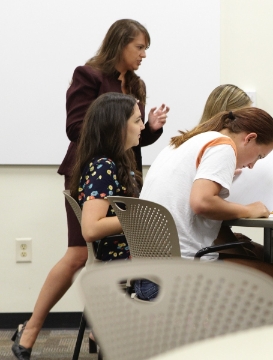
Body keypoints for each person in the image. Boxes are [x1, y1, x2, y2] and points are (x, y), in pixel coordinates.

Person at [11, 19, 168, 359]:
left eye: (145, 49)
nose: (143, 55)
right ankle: (32, 328)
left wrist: (151, 127)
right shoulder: (90, 75)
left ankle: (103, 330)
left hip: (121, 173)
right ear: (120, 44)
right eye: (139, 47)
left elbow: (133, 138)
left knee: (105, 251)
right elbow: (77, 127)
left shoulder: (136, 83)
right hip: (91, 171)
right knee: (79, 253)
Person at [12, 93, 143, 359]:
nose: (143, 126)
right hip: (124, 261)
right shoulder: (104, 167)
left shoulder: (118, 163)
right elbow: (91, 228)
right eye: (138, 120)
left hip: (128, 259)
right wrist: (139, 218)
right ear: (118, 126)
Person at [136, 107, 273, 301]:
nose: (253, 165)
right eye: (259, 156)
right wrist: (249, 209)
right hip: (178, 276)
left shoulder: (184, 142)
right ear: (249, 138)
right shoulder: (223, 146)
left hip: (145, 274)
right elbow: (202, 202)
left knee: (256, 255)